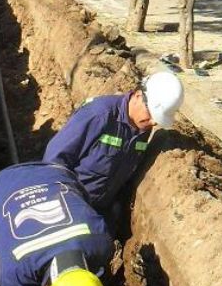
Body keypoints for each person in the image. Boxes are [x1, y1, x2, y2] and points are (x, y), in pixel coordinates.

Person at [43, 71, 184, 215]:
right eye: (151, 114)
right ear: (138, 96)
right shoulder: (99, 115)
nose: (153, 122)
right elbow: (54, 159)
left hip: (101, 209)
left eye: (157, 119)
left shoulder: (143, 128)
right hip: (71, 205)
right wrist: (60, 203)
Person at [0, 162, 113, 286]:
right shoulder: (14, 276)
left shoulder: (102, 243)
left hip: (55, 173)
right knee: (1, 261)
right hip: (1, 186)